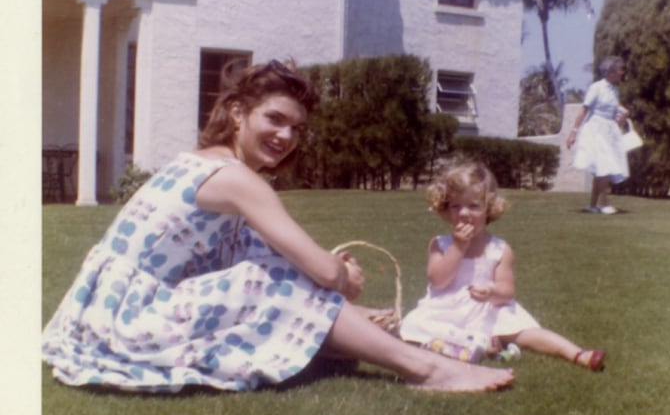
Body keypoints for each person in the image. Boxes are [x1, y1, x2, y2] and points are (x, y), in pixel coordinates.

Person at [42, 59, 515, 394]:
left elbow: (261, 251)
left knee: (268, 265)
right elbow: (323, 273)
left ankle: (360, 333)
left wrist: (338, 292)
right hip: (128, 321)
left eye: (297, 128)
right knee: (273, 282)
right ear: (237, 113)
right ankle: (427, 369)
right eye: (275, 119)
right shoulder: (236, 179)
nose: (286, 137)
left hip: (100, 312)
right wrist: (340, 279)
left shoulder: (201, 162)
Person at [399, 162, 606, 371]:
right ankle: (476, 342)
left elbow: (506, 291)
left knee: (525, 331)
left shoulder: (499, 249)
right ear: (446, 209)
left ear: (488, 209)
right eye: (456, 206)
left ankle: (576, 353)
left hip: (487, 308)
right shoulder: (440, 244)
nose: (464, 213)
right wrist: (458, 247)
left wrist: (491, 291)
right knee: (413, 324)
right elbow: (438, 280)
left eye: (473, 206)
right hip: (448, 308)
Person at [566, 55, 630, 214]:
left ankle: (593, 205)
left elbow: (614, 109)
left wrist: (624, 113)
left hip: (609, 130)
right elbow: (584, 109)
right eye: (620, 69)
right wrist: (573, 132)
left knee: (602, 167)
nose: (622, 73)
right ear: (611, 71)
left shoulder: (614, 89)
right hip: (596, 129)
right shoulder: (597, 87)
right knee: (604, 166)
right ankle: (604, 203)